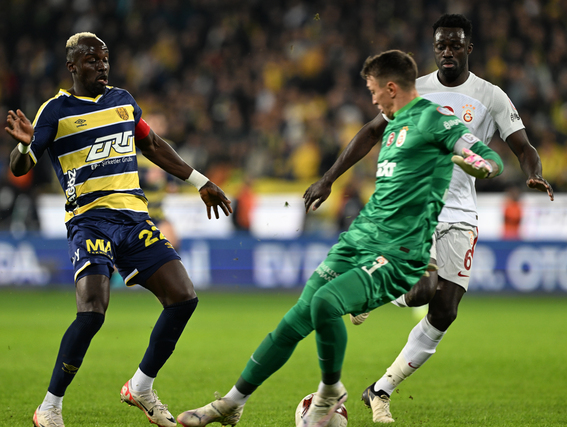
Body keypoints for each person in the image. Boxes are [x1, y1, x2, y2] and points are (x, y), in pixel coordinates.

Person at [176, 49, 502, 427]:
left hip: (400, 251)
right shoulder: (394, 121)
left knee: (327, 303)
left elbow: (486, 157)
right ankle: (231, 403)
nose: (372, 99)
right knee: (296, 319)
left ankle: (331, 391)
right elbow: (370, 139)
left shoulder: (434, 119)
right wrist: (329, 179)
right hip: (360, 238)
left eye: (373, 91)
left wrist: (479, 163)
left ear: (391, 88)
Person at [305, 14, 554, 423]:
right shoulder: (414, 90)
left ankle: (379, 390)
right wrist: (329, 178)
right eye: (441, 45)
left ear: (468, 47)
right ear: (434, 48)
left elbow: (523, 146)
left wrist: (534, 172)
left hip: (462, 213)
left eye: (455, 44)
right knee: (422, 289)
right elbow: (371, 132)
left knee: (445, 311)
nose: (447, 51)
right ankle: (370, 289)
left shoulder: (491, 96)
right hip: (417, 204)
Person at [5, 32, 232, 427]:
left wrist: (200, 181)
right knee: (92, 312)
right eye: (92, 60)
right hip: (90, 220)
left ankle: (140, 387)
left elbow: (154, 145)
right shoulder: (55, 111)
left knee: (184, 298)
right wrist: (25, 147)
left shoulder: (123, 102)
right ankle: (49, 407)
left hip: (134, 219)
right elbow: (20, 166)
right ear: (72, 66)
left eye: (105, 59)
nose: (102, 66)